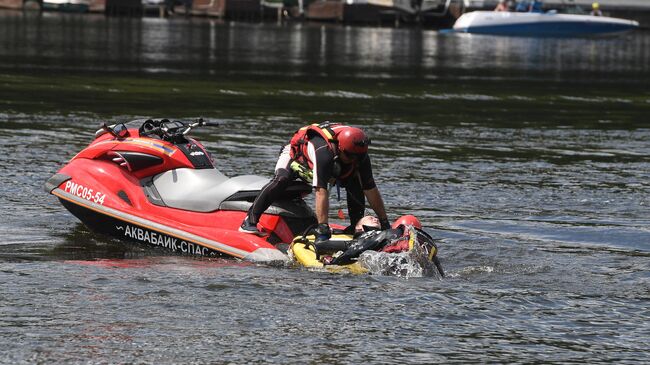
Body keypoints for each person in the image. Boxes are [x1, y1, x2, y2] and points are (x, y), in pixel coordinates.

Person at [240, 122, 390, 243]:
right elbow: (321, 191)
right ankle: (250, 220)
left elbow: (371, 190)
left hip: (332, 163)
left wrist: (384, 222)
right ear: (340, 149)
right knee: (282, 179)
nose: (355, 160)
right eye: (351, 156)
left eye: (358, 157)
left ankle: (355, 227)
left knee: (357, 182)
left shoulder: (359, 154)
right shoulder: (324, 152)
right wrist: (323, 227)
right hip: (297, 157)